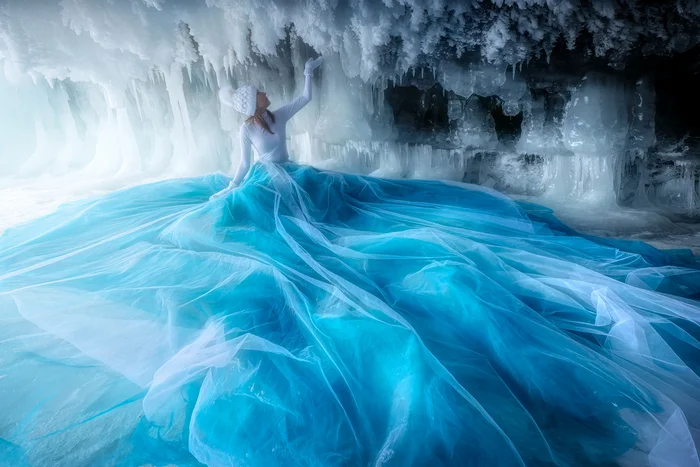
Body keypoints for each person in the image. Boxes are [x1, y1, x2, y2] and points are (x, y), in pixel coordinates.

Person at [0, 57, 700, 467]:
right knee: (299, 255)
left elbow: (298, 103)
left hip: (298, 186)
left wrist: (309, 72)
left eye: (268, 99)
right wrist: (230, 194)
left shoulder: (278, 118)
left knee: (331, 238)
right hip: (273, 192)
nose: (269, 102)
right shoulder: (249, 132)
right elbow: (237, 167)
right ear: (252, 108)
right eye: (263, 99)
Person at [211, 56, 324, 200]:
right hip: (266, 177)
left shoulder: (279, 116)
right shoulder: (246, 129)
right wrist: (231, 186)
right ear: (253, 104)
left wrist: (308, 71)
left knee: (315, 182)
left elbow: (305, 98)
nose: (264, 93)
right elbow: (245, 163)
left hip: (288, 171)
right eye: (258, 94)